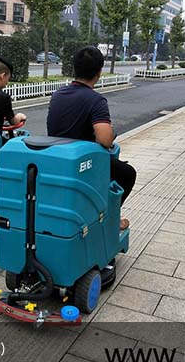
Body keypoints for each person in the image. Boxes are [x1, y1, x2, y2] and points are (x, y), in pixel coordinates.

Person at [46, 46, 136, 230]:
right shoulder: (96, 100)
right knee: (127, 173)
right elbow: (105, 140)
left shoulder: (58, 95)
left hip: (55, 156)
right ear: (99, 72)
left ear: (75, 68)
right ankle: (111, 219)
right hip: (82, 162)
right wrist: (110, 133)